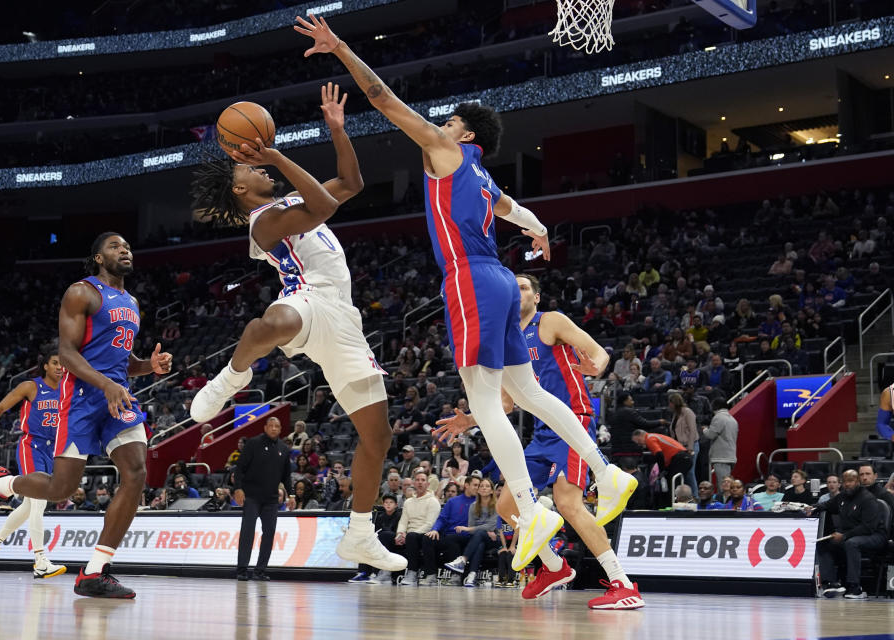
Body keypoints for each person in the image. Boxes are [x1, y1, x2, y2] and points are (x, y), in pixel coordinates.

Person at [295, 14, 636, 571]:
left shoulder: (445, 153)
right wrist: (541, 228)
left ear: (464, 135)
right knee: (527, 394)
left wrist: (341, 49)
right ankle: (605, 470)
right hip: (500, 278)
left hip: (470, 279)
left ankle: (530, 512)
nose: (440, 124)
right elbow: (514, 211)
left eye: (449, 121)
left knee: (484, 401)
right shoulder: (482, 175)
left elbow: (384, 99)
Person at [189, 84, 405, 575]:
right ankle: (232, 377)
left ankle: (360, 533)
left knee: (378, 437)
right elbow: (325, 208)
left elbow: (350, 181)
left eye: (256, 162)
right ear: (240, 190)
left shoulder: (292, 201)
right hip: (305, 300)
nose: (258, 167)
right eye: (249, 168)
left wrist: (337, 131)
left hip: (344, 319)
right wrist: (279, 154)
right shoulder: (262, 223)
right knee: (276, 319)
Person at [0, 232, 173, 599]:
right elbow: (67, 353)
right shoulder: (82, 292)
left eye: (127, 246)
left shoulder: (132, 302)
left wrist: (149, 366)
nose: (124, 250)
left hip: (118, 398)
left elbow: (123, 361)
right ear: (98, 258)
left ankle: (94, 572)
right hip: (81, 398)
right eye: (115, 246)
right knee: (60, 489)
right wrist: (107, 385)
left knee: (136, 472)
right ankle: (2, 485)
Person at [436, 274, 643, 608]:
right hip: (542, 434)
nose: (517, 293)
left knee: (567, 503)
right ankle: (554, 567)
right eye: (512, 288)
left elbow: (597, 352)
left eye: (523, 288)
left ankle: (622, 583)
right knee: (506, 504)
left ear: (536, 297)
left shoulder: (550, 322)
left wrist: (597, 367)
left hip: (573, 421)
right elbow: (504, 404)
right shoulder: (505, 341)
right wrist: (470, 419)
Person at [0, 350, 67, 579]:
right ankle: (40, 561)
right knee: (39, 503)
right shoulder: (31, 387)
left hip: (52, 451)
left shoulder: (66, 389)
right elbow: (1, 407)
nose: (60, 367)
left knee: (29, 507)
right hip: (30, 446)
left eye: (62, 364)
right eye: (54, 363)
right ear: (45, 366)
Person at [809, 470, 887, 599]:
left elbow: (868, 527)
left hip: (876, 535)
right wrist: (812, 508)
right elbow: (827, 505)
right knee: (823, 542)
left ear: (857, 482)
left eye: (850, 481)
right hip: (852, 535)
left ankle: (855, 588)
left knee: (851, 543)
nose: (847, 484)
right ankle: (831, 583)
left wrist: (844, 536)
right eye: (845, 481)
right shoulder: (842, 497)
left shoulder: (867, 498)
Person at [444, 477, 499, 587]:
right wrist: (483, 531)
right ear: (478, 490)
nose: (484, 488)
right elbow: (474, 528)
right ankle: (471, 576)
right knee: (479, 542)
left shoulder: (497, 505)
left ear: (492, 491)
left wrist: (470, 529)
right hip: (480, 537)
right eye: (481, 486)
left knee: (479, 534)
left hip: (495, 538)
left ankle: (463, 560)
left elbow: (491, 525)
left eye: (487, 486)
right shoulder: (473, 506)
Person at [395, 470, 442, 586]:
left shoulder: (433, 501)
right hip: (410, 535)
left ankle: (413, 573)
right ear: (414, 484)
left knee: (412, 536)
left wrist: (409, 534)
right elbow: (403, 521)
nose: (420, 483)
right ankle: (383, 572)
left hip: (426, 535)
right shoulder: (408, 502)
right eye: (417, 480)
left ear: (427, 484)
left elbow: (429, 524)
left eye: (423, 480)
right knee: (385, 535)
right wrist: (400, 534)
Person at [349, 494, 403, 584]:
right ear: (383, 504)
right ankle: (363, 573)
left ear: (396, 505)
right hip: (380, 539)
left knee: (385, 535)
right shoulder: (380, 516)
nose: (388, 504)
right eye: (386, 502)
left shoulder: (399, 515)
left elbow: (397, 531)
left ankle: (378, 573)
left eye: (391, 502)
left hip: (393, 541)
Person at [667, 392, 699, 491]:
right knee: (683, 472)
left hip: (690, 445)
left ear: (674, 402)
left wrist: (690, 448)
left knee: (690, 472)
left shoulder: (688, 412)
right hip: (680, 448)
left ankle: (695, 496)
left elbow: (692, 430)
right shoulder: (676, 414)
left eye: (670, 403)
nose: (669, 405)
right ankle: (685, 496)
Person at [702, 397, 738, 483]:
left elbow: (711, 435)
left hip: (721, 457)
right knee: (725, 484)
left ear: (715, 406)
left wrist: (705, 429)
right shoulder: (732, 419)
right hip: (730, 456)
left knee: (724, 485)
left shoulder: (718, 417)